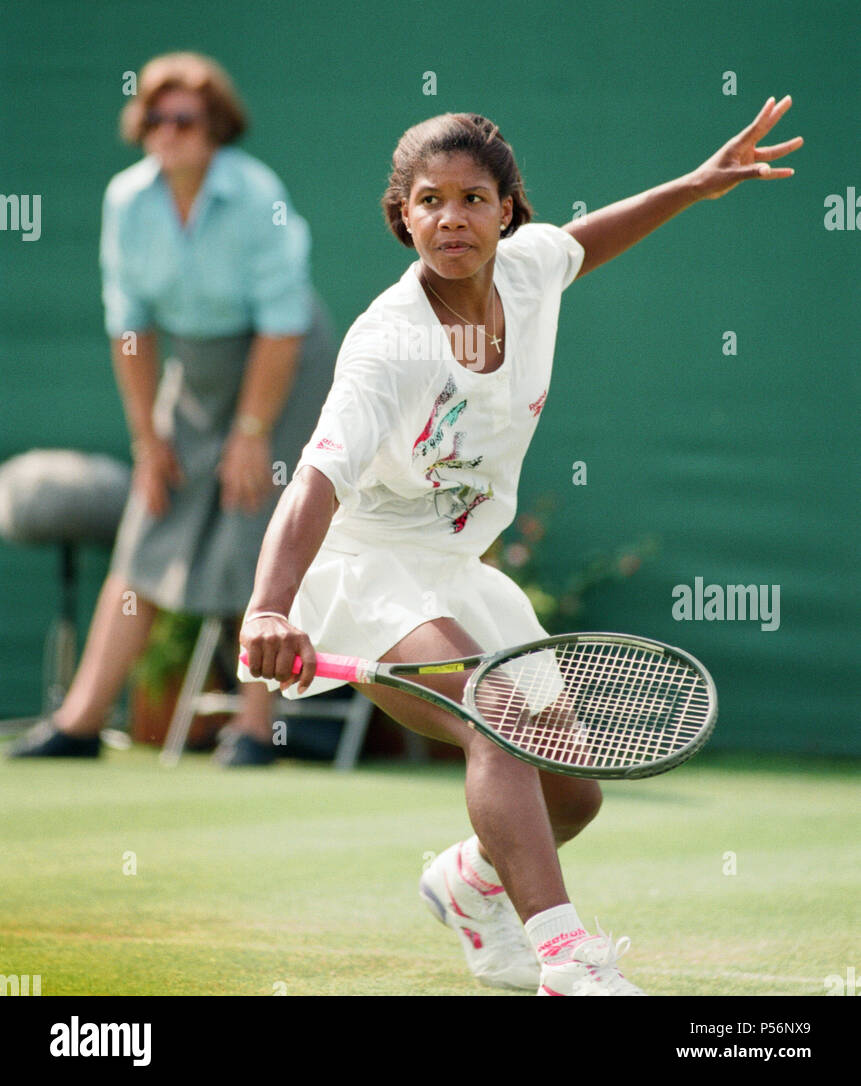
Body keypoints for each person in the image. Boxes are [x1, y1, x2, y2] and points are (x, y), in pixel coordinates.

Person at [239, 100, 802, 994]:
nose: (451, 218)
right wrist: (271, 605)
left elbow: (589, 240)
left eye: (472, 198)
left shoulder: (532, 268)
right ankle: (565, 960)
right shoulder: (387, 346)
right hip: (365, 566)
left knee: (572, 794)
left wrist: (695, 186)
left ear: (508, 211)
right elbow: (312, 481)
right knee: (495, 719)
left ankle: (464, 884)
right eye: (429, 201)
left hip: (455, 569)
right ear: (404, 216)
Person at [9, 52, 336, 767]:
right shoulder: (127, 200)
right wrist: (145, 439)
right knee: (150, 516)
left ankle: (255, 728)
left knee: (258, 518)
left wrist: (251, 433)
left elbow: (282, 326)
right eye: (155, 117)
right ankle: (80, 721)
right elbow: (130, 326)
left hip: (281, 361)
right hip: (196, 368)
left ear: (215, 127)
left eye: (184, 118)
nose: (168, 131)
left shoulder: (256, 195)